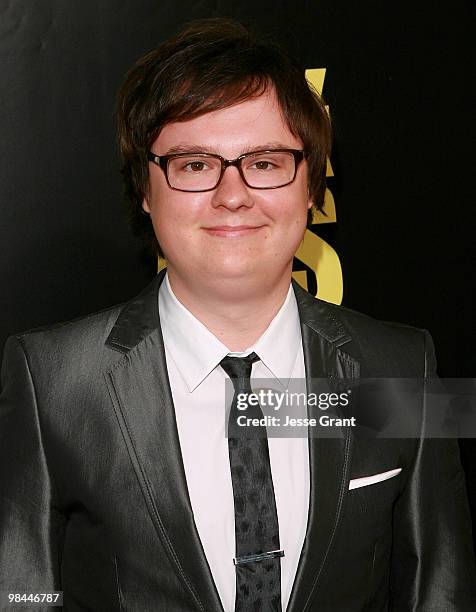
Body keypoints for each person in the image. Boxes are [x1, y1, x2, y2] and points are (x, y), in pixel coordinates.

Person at [0, 17, 474, 612]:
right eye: (195, 164)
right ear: (145, 190)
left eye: (267, 162)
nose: (233, 194)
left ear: (311, 186)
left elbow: (442, 589)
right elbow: (20, 594)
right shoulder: (50, 378)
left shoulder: (407, 366)